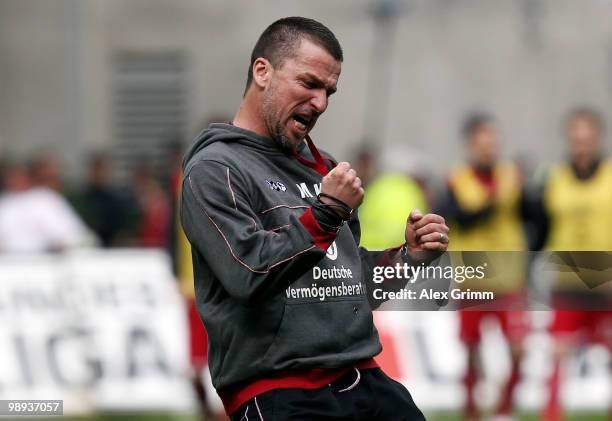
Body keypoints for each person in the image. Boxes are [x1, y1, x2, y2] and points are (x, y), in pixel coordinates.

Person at [180, 17, 450, 420]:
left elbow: (346, 286)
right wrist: (325, 213)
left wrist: (408, 257)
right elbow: (248, 274)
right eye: (309, 83)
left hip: (365, 378)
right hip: (280, 392)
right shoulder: (215, 169)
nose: (320, 103)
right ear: (262, 72)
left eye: (329, 91)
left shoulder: (321, 165)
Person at [438, 113, 529, 421]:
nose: (489, 147)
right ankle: (472, 411)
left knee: (519, 348)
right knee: (472, 349)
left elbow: (534, 215)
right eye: (482, 141)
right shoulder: (456, 179)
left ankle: (504, 407)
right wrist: (491, 204)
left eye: (492, 140)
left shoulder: (513, 176)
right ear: (470, 144)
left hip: (509, 276)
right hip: (473, 278)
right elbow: (454, 217)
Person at [531, 107, 612, 421]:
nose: (582, 143)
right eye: (576, 137)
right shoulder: (554, 179)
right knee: (558, 357)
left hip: (607, 283)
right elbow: (540, 229)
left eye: (587, 136)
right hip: (567, 281)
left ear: (597, 138)